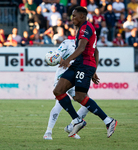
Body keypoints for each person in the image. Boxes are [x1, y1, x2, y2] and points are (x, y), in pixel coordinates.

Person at [53, 6, 117, 138]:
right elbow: (96, 50)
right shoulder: (82, 29)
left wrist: (68, 60)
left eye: (75, 16)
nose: (72, 18)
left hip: (85, 65)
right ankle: (77, 120)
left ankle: (108, 121)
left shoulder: (86, 28)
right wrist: (94, 70)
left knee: (80, 97)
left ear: (82, 16)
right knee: (58, 90)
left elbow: (82, 48)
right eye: (72, 16)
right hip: (79, 64)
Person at [43, 39, 89, 140]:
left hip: (77, 78)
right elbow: (55, 56)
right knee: (59, 104)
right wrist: (66, 62)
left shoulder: (86, 46)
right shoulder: (68, 43)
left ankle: (71, 127)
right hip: (62, 76)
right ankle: (48, 132)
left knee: (87, 104)